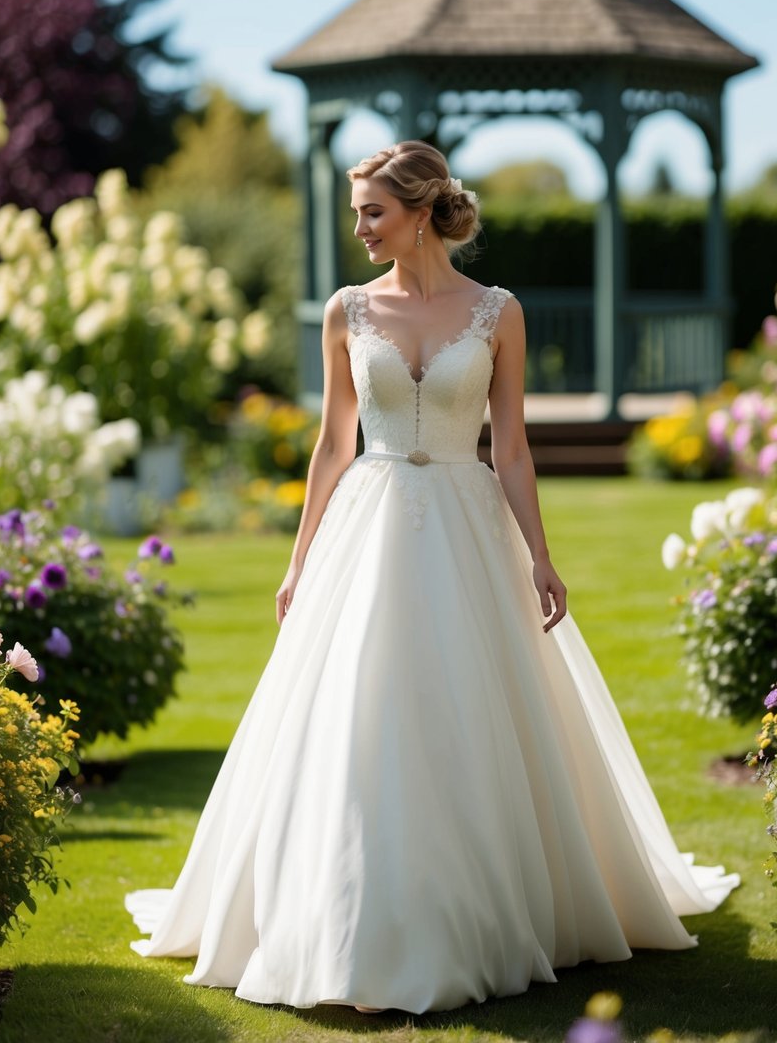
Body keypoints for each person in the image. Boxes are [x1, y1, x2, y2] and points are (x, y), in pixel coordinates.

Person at [126, 140, 738, 1015]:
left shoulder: (499, 313)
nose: (360, 229)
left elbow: (514, 449)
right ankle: (344, 915)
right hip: (365, 530)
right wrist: (299, 562)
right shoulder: (346, 312)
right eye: (356, 214)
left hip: (465, 521)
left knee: (468, 711)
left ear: (420, 212)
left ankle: (474, 912)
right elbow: (334, 445)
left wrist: (539, 553)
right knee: (354, 711)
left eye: (372, 212)